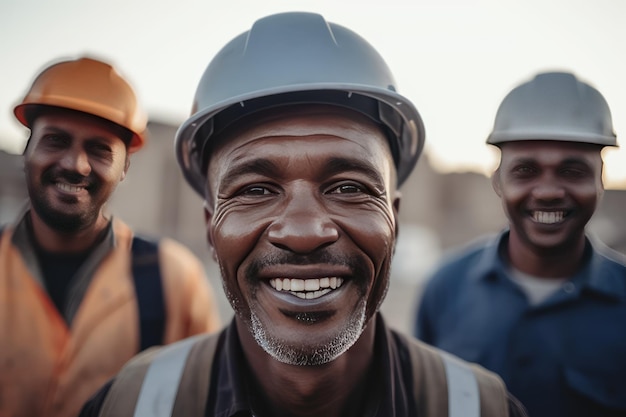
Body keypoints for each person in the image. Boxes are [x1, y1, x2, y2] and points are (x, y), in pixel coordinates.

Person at [79, 12, 527, 417]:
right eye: (256, 190)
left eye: (349, 187)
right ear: (211, 231)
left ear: (394, 220)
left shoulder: (479, 407)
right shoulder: (130, 405)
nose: (304, 231)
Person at [0, 56, 222, 417]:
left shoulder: (175, 281)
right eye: (56, 140)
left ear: (125, 168)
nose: (75, 164)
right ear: (27, 150)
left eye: (99, 149)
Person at [414, 71, 626, 417]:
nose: (547, 191)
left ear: (601, 179)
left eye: (572, 171)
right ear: (497, 180)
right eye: (526, 170)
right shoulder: (445, 288)